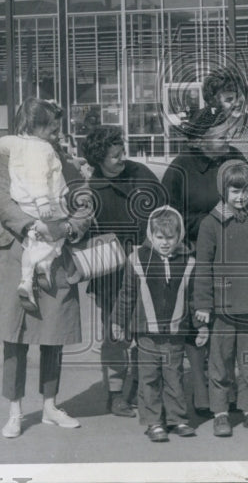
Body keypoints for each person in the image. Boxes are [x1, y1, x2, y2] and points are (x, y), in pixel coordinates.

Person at [0, 110, 94, 438]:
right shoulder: (8, 155)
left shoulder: (60, 157)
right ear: (28, 127)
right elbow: (1, 198)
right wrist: (31, 224)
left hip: (57, 251)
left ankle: (51, 405)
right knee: (15, 334)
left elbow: (83, 198)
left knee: (54, 333)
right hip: (17, 250)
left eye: (56, 128)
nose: (54, 134)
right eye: (48, 127)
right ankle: (15, 410)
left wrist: (68, 226)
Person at [161, 107, 247, 416]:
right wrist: (214, 218)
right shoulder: (180, 168)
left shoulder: (235, 158)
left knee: (227, 324)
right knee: (199, 325)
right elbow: (168, 218)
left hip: (233, 255)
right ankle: (201, 391)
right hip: (194, 256)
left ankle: (226, 388)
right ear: (199, 140)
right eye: (220, 135)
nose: (228, 139)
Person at [82, 125, 164, 418]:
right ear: (98, 159)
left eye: (122, 152)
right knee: (116, 334)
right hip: (110, 274)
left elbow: (164, 213)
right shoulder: (90, 189)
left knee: (147, 332)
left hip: (147, 267)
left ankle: (142, 388)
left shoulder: (141, 174)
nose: (121, 159)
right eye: (114, 156)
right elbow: (84, 235)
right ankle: (116, 394)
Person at [194, 160, 248, 437]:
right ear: (223, 191)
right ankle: (220, 413)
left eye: (245, 190)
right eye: (234, 191)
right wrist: (203, 306)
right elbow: (203, 268)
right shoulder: (211, 223)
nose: (240, 197)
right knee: (220, 362)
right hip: (223, 308)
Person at [111, 206, 199, 443]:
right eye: (159, 237)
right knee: (149, 377)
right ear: (151, 235)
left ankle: (177, 418)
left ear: (179, 236)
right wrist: (119, 321)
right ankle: (153, 422)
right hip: (146, 333)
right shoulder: (136, 259)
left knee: (174, 376)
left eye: (170, 237)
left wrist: (200, 327)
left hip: (175, 332)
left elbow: (193, 298)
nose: (165, 243)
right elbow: (126, 294)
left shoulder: (188, 262)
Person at [0, 99, 71, 307]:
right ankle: (44, 263)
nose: (57, 134)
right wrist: (42, 204)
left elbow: (0, 143)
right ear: (37, 127)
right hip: (44, 205)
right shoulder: (42, 149)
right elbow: (37, 177)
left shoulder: (16, 144)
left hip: (25, 205)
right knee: (53, 237)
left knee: (33, 243)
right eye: (52, 129)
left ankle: (27, 279)